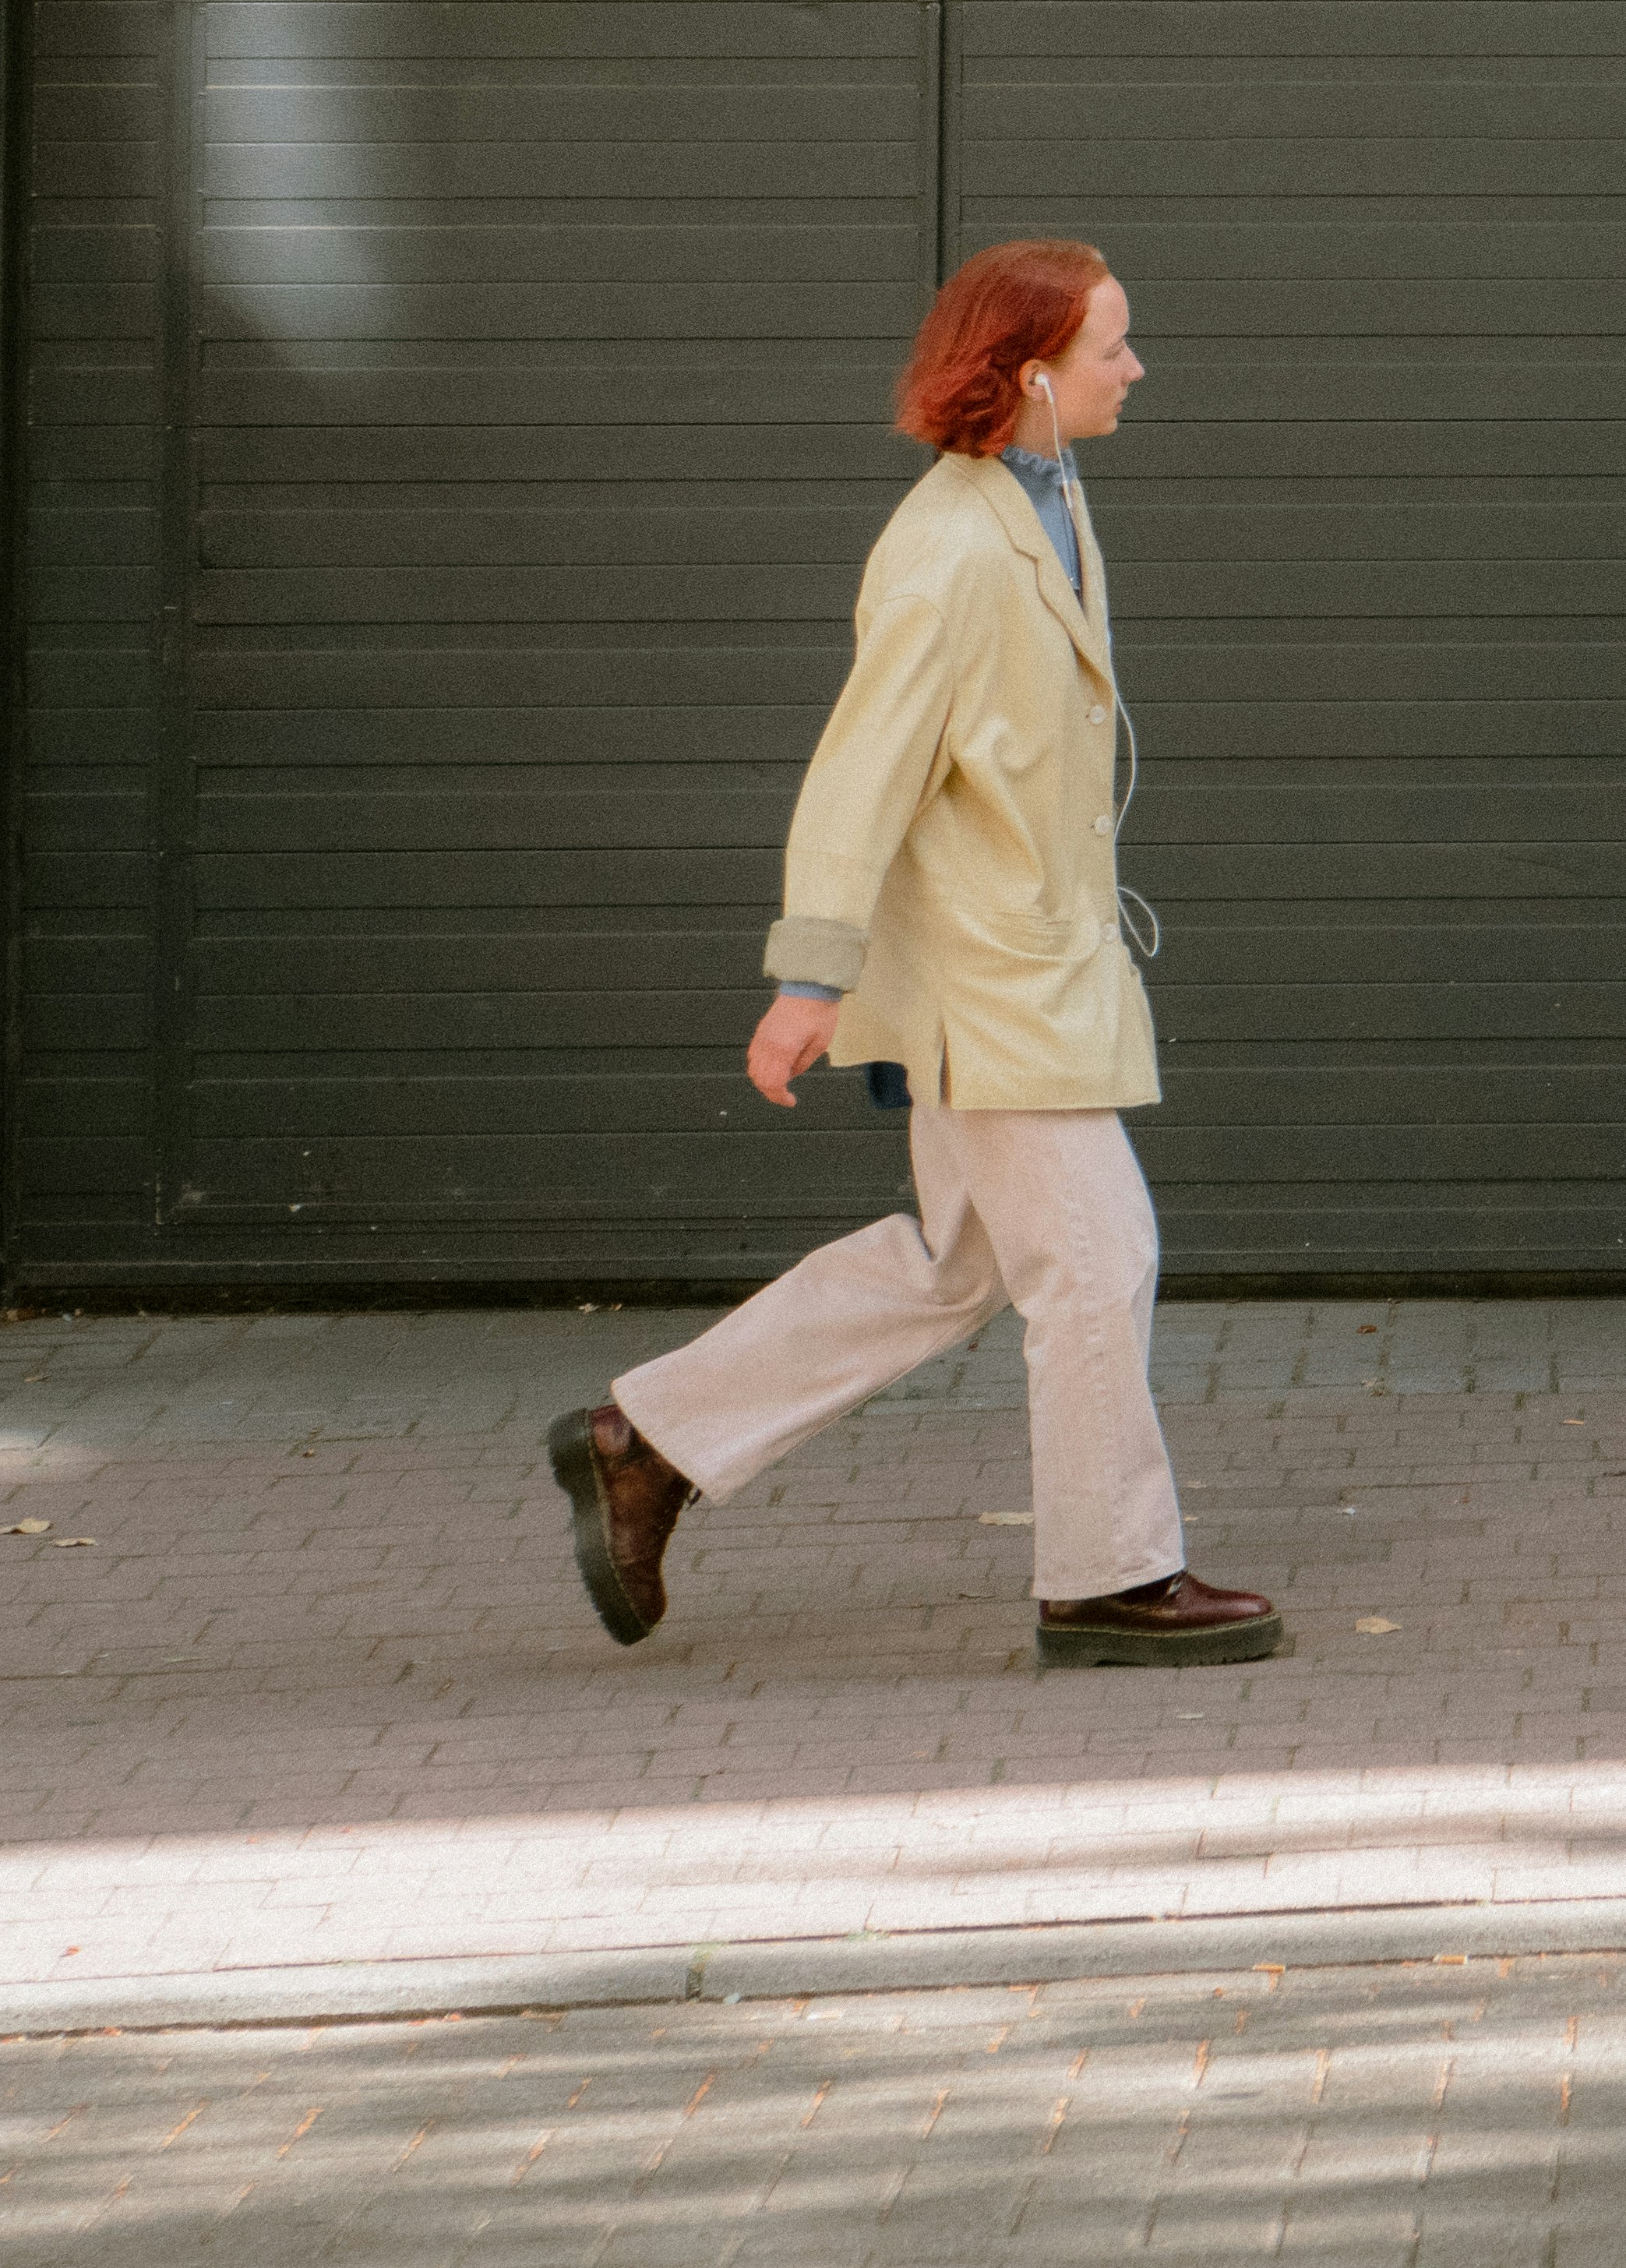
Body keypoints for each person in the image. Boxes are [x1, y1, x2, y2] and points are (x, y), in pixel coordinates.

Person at [545, 237, 1281, 1668]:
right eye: (1112, 348)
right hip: (995, 986)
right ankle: (1108, 1577)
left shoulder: (1044, 496)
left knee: (954, 1264)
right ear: (1030, 380)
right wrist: (809, 976)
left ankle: (645, 1441)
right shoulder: (949, 552)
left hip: (1031, 966)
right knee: (1098, 1257)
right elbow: (857, 775)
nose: (1137, 367)